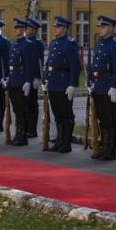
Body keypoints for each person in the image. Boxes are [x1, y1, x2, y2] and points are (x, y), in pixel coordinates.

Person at [88, 16, 116, 160]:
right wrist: (90, 82)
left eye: (103, 26)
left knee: (110, 119)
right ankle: (103, 146)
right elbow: (93, 66)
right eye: (99, 26)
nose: (100, 29)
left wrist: (115, 86)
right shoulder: (99, 44)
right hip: (98, 85)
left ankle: (110, 150)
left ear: (111, 28)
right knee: (101, 119)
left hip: (109, 86)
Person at [44, 16, 80, 153]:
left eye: (58, 27)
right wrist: (46, 79)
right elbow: (49, 63)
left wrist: (72, 85)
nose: (55, 29)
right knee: (57, 114)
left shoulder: (70, 44)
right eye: (54, 26)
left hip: (64, 83)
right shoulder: (53, 43)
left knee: (66, 114)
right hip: (53, 82)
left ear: (65, 29)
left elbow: (75, 67)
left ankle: (66, 143)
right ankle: (59, 140)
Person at [3, 18, 34, 146]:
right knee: (16, 109)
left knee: (22, 110)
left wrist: (28, 81)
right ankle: (18, 134)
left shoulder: (27, 44)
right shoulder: (15, 45)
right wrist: (7, 78)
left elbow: (29, 65)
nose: (16, 30)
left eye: (18, 28)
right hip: (13, 81)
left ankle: (23, 136)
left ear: (24, 30)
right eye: (15, 28)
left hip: (21, 81)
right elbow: (10, 64)